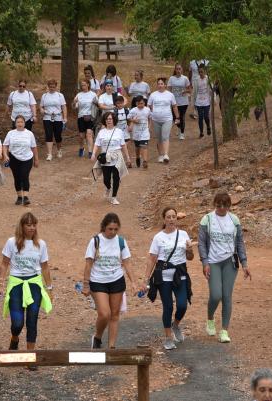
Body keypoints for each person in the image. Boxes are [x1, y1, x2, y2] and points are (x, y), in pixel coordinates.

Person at [0, 212, 53, 364]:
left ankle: (30, 357)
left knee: (32, 321)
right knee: (18, 323)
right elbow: (4, 263)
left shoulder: (41, 244)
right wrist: (0, 283)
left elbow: (45, 267)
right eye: (28, 225)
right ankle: (14, 338)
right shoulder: (11, 242)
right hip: (16, 284)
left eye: (34, 225)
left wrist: (50, 288)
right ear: (22, 226)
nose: (32, 228)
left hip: (34, 284)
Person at [198, 191, 251, 343]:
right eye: (218, 205)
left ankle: (224, 331)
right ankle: (210, 319)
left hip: (230, 261)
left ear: (229, 206)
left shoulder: (234, 220)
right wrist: (205, 262)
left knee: (227, 296)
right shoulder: (207, 219)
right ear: (214, 204)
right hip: (213, 261)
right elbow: (201, 243)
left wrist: (244, 263)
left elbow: (240, 242)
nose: (221, 208)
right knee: (216, 294)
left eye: (225, 206)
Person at [142, 207, 195, 350]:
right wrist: (146, 279)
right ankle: (168, 338)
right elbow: (152, 258)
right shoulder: (158, 237)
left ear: (176, 218)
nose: (171, 219)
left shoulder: (183, 234)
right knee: (168, 306)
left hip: (180, 274)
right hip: (164, 276)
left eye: (174, 217)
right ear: (164, 219)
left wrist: (189, 250)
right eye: (168, 217)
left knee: (182, 304)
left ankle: (175, 325)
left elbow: (190, 257)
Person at [81, 213, 137, 349]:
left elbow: (127, 262)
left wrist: (133, 282)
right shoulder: (95, 241)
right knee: (104, 313)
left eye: (115, 229)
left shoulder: (121, 241)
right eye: (110, 229)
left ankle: (112, 347)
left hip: (116, 279)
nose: (112, 232)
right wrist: (86, 284)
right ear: (104, 227)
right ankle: (98, 336)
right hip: (98, 280)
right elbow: (88, 263)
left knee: (115, 314)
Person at [91, 112, 132, 205]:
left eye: (110, 119)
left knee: (116, 178)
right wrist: (93, 154)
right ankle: (108, 188)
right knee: (106, 179)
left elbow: (123, 145)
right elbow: (97, 144)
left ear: (114, 120)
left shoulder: (119, 132)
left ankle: (114, 197)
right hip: (105, 158)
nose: (109, 120)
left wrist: (128, 157)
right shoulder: (101, 132)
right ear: (104, 121)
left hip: (117, 157)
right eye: (107, 119)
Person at [2, 115, 39, 206]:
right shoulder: (11, 133)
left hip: (27, 158)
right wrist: (5, 155)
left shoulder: (29, 134)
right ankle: (19, 197)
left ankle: (26, 197)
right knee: (17, 177)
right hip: (14, 158)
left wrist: (36, 159)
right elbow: (5, 145)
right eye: (18, 122)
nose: (20, 124)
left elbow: (34, 147)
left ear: (24, 123)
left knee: (24, 175)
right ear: (15, 123)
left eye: (21, 122)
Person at [148, 77, 179, 164]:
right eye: (159, 84)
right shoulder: (153, 95)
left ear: (165, 85)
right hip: (156, 120)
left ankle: (166, 154)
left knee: (165, 136)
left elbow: (174, 106)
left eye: (162, 84)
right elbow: (149, 105)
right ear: (157, 85)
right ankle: (160, 155)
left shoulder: (170, 95)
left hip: (167, 119)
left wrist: (177, 117)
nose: (160, 85)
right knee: (159, 138)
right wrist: (152, 113)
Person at [40, 79, 67, 161]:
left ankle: (59, 150)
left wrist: (65, 117)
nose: (52, 88)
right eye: (50, 87)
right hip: (47, 117)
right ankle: (49, 154)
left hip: (58, 117)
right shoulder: (44, 96)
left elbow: (64, 107)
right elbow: (41, 106)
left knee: (58, 135)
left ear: (56, 87)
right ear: (48, 87)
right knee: (48, 135)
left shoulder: (60, 95)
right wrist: (41, 109)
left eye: (53, 87)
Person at [73, 79, 98, 159]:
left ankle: (90, 152)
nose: (82, 87)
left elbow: (98, 105)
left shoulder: (93, 94)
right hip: (81, 116)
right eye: (81, 85)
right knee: (81, 136)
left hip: (90, 117)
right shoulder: (79, 95)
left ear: (88, 85)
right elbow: (74, 107)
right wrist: (74, 102)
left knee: (89, 134)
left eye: (84, 85)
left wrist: (96, 103)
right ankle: (81, 147)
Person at [168, 64, 191, 140]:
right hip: (174, 102)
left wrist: (185, 91)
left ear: (182, 70)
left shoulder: (185, 78)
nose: (178, 70)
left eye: (179, 69)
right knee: (175, 118)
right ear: (175, 70)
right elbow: (169, 90)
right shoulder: (171, 78)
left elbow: (190, 90)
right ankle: (179, 127)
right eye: (177, 69)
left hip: (184, 101)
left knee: (182, 117)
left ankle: (182, 133)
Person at [127, 95, 151, 168]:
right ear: (136, 103)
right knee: (137, 147)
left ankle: (145, 161)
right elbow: (128, 118)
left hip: (145, 131)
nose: (140, 105)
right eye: (138, 103)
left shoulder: (147, 110)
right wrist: (133, 120)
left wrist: (149, 127)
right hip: (136, 131)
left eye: (142, 103)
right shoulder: (133, 110)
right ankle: (137, 157)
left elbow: (150, 118)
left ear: (144, 103)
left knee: (144, 146)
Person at [114, 95, 132, 163]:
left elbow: (130, 119)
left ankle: (127, 159)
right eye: (118, 103)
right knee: (119, 145)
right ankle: (121, 159)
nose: (120, 105)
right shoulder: (114, 111)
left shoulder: (127, 110)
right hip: (117, 130)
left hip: (125, 129)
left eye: (121, 103)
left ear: (123, 102)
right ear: (116, 104)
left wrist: (130, 126)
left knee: (126, 144)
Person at [194, 68, 212, 137]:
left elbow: (211, 89)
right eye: (199, 72)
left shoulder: (208, 79)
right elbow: (195, 91)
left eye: (202, 72)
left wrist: (214, 99)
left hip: (206, 100)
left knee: (206, 116)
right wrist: (194, 101)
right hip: (199, 100)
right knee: (200, 117)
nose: (200, 73)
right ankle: (201, 132)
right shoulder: (196, 80)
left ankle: (208, 126)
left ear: (205, 72)